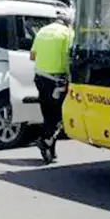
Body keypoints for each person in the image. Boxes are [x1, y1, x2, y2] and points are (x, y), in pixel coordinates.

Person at [30, 10, 74, 164]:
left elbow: (32, 56)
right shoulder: (68, 33)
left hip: (40, 78)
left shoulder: (42, 31)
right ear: (68, 22)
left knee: (47, 114)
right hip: (57, 80)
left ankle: (50, 151)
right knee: (59, 116)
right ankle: (46, 141)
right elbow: (70, 57)